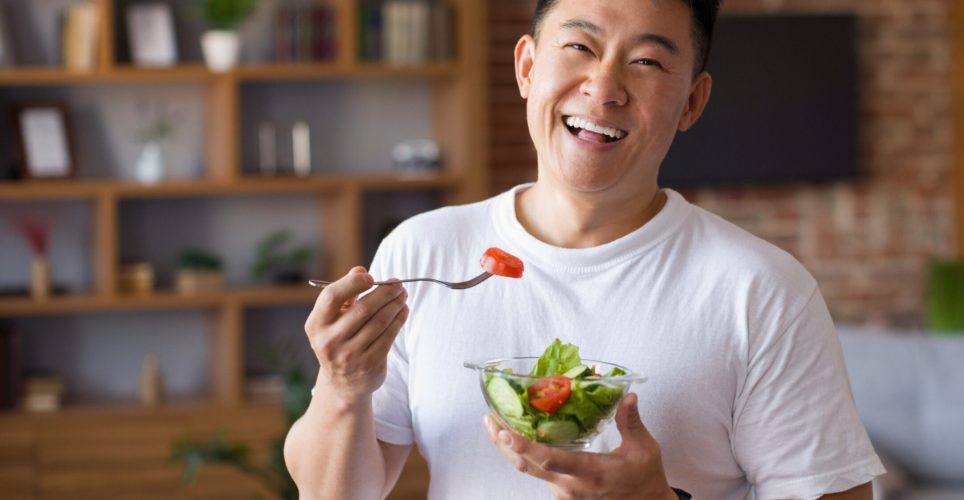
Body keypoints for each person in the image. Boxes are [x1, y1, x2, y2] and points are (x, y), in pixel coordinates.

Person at [284, 0, 885, 498]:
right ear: (526, 67)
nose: (603, 88)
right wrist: (341, 386)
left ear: (693, 103)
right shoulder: (424, 251)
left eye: (647, 60)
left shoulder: (760, 289)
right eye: (579, 47)